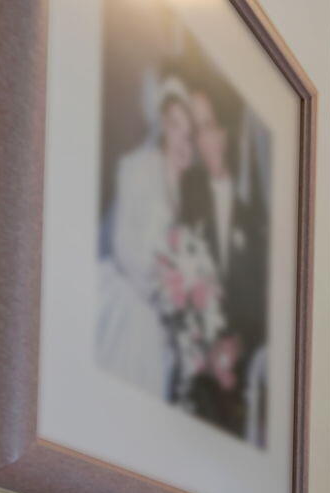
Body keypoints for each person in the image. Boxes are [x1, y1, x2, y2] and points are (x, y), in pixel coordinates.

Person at [95, 74, 199, 400]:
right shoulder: (135, 167)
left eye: (186, 128)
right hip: (130, 294)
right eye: (173, 124)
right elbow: (123, 243)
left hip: (160, 313)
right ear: (162, 125)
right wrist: (155, 287)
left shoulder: (186, 188)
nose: (179, 134)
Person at [181, 85, 268, 441]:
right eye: (197, 131)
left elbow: (261, 297)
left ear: (226, 133)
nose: (206, 139)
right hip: (195, 344)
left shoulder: (253, 217)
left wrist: (238, 344)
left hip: (240, 353)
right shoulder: (186, 198)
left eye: (211, 126)